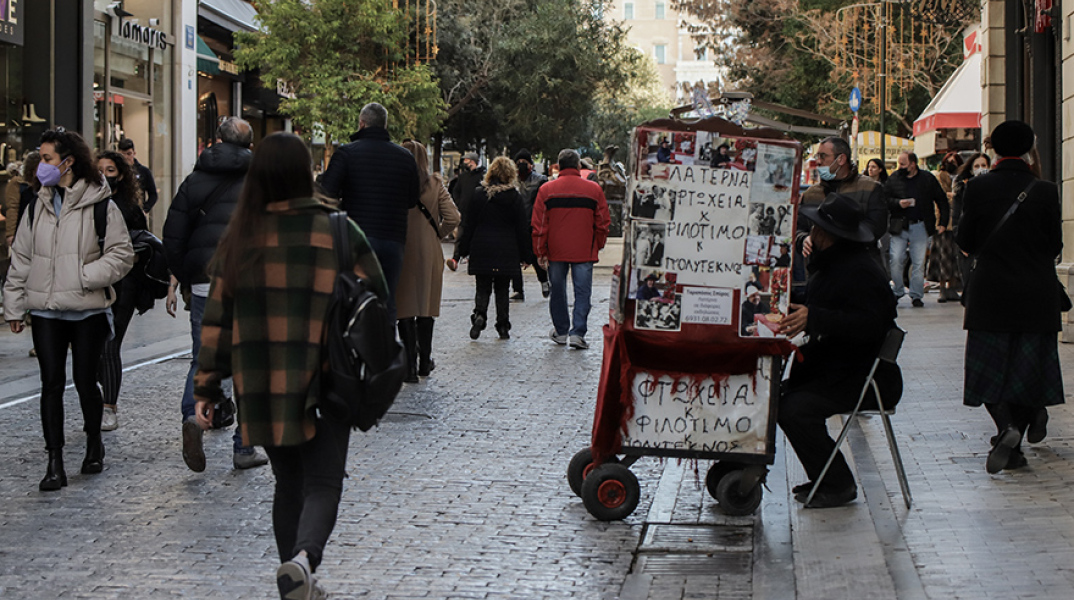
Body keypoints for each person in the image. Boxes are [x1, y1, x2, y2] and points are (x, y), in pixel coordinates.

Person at [192, 132, 388, 600]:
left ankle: (295, 585)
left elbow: (217, 322)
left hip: (261, 384)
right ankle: (303, 562)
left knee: (288, 483)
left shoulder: (241, 239)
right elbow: (378, 297)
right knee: (323, 481)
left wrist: (206, 388)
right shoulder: (337, 230)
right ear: (306, 173)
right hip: (327, 378)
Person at [3, 128, 135, 491]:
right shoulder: (37, 205)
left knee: (85, 382)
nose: (41, 166)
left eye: (47, 159)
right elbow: (22, 258)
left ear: (68, 162)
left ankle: (94, 444)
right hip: (46, 311)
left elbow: (122, 254)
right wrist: (14, 306)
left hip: (86, 310)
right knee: (51, 384)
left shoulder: (100, 204)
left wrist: (84, 276)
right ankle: (54, 462)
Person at [777, 192, 901, 508]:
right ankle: (825, 476)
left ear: (826, 234)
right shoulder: (836, 264)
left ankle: (837, 483)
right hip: (837, 370)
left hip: (862, 377)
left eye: (816, 228)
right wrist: (791, 309)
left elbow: (868, 325)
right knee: (779, 398)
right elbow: (822, 305)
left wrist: (814, 317)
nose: (812, 233)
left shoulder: (860, 271)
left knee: (794, 409)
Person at [956, 121, 1064, 474]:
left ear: (996, 149)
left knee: (989, 370)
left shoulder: (978, 187)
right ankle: (1022, 428)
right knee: (1027, 371)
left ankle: (1007, 428)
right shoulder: (1045, 190)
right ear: (1029, 148)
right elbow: (1055, 245)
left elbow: (965, 240)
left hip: (991, 293)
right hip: (1037, 293)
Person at [163, 116, 268, 472]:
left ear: (217, 141)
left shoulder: (194, 180)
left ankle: (192, 418)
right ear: (250, 145)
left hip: (206, 283)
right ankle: (244, 447)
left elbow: (173, 235)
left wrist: (186, 275)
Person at [320, 102, 420, 323]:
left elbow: (326, 193)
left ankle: (355, 341)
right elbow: (412, 200)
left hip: (356, 237)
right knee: (387, 299)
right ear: (385, 125)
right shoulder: (405, 157)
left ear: (361, 123)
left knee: (352, 297)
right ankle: (386, 341)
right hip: (393, 237)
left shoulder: (346, 153)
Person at [532, 149, 610, 349]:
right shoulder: (593, 190)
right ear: (578, 166)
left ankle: (561, 330)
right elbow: (603, 222)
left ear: (559, 166)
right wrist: (598, 244)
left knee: (557, 290)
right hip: (584, 249)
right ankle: (578, 332)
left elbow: (539, 225)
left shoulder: (546, 190)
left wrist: (540, 251)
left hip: (555, 250)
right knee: (583, 292)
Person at [396, 140, 461, 382]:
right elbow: (453, 217)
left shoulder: (394, 182)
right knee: (425, 307)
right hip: (429, 251)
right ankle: (425, 361)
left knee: (404, 308)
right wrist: (437, 234)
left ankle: (409, 368)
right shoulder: (435, 183)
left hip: (401, 247)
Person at [95, 151, 149, 432]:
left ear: (121, 175)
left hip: (124, 284)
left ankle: (109, 407)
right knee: (93, 349)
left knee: (110, 344)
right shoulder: (87, 206)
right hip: (93, 283)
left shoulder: (129, 208)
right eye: (100, 170)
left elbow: (144, 243)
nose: (105, 175)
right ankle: (102, 391)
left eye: (111, 170)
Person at [457, 156, 531, 340]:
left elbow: (469, 224)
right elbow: (522, 228)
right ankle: (503, 325)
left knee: (482, 286)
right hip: (506, 248)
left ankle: (480, 314)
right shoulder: (514, 197)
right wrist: (526, 255)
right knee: (502, 289)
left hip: (482, 247)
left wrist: (462, 250)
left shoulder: (478, 195)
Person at [797, 137, 888, 287]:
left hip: (859, 272)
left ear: (841, 159)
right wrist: (804, 239)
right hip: (821, 272)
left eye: (823, 156)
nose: (818, 161)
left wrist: (840, 239)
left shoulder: (870, 188)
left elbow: (876, 226)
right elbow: (798, 228)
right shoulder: (811, 194)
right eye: (817, 156)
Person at [885, 151, 949, 307]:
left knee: (919, 262)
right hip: (900, 225)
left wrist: (942, 222)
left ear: (913, 164)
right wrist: (898, 203)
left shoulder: (927, 179)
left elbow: (941, 199)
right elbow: (884, 199)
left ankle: (916, 295)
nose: (900, 167)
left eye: (903, 164)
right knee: (895, 259)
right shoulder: (894, 178)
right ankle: (898, 290)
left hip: (920, 224)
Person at [510, 149, 549, 301]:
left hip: (532, 223)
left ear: (531, 165)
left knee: (534, 255)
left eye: (524, 162)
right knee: (514, 257)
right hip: (515, 224)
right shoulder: (511, 181)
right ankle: (517, 289)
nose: (521, 165)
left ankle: (544, 281)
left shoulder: (540, 181)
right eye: (518, 162)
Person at [928, 152, 964, 302]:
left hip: (959, 221)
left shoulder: (962, 177)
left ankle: (952, 287)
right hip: (944, 222)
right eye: (948, 161)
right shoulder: (941, 177)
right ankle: (943, 288)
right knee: (943, 256)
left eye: (954, 161)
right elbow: (941, 197)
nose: (951, 164)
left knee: (955, 256)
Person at [951, 152, 990, 289]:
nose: (980, 169)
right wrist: (962, 243)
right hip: (969, 246)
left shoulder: (995, 189)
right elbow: (956, 218)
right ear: (971, 170)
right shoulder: (962, 190)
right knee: (970, 286)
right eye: (977, 166)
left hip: (989, 245)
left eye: (984, 165)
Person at [446, 152, 486, 271]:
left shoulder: (483, 176)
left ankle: (475, 259)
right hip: (464, 212)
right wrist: (459, 203)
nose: (464, 163)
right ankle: (455, 259)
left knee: (476, 237)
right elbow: (456, 191)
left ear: (472, 161)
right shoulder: (463, 177)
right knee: (460, 236)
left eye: (466, 160)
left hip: (478, 213)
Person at [117, 138, 159, 213]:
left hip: (136, 212)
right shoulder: (115, 171)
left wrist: (145, 209)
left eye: (129, 154)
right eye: (122, 154)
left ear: (134, 153)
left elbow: (153, 195)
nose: (126, 157)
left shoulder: (144, 171)